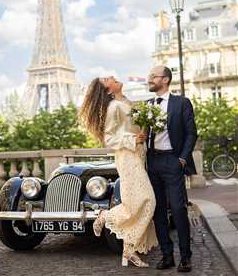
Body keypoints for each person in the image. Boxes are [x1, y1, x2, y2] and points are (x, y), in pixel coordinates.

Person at [80, 76, 158, 267]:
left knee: (136, 204)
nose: (113, 77)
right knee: (148, 201)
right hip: (127, 157)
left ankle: (129, 250)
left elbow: (134, 128)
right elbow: (109, 139)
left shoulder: (127, 102)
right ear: (108, 90)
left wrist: (143, 134)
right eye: (108, 79)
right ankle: (104, 216)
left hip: (138, 156)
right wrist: (133, 139)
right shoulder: (113, 106)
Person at [146, 65, 198, 273]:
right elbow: (143, 133)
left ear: (165, 80)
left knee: (177, 209)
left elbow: (191, 133)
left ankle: (185, 257)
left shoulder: (182, 103)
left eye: (153, 77)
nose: (149, 79)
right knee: (158, 211)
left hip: (173, 162)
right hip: (153, 162)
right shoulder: (147, 105)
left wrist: (182, 159)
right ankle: (167, 256)